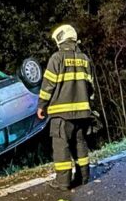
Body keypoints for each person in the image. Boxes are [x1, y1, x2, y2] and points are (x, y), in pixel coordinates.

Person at [37, 24, 94, 190]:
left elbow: (48, 85)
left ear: (60, 39)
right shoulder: (84, 59)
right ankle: (84, 176)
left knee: (61, 147)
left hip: (62, 115)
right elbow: (90, 87)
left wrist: (42, 105)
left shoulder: (57, 58)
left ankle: (63, 182)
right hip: (83, 114)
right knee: (80, 143)